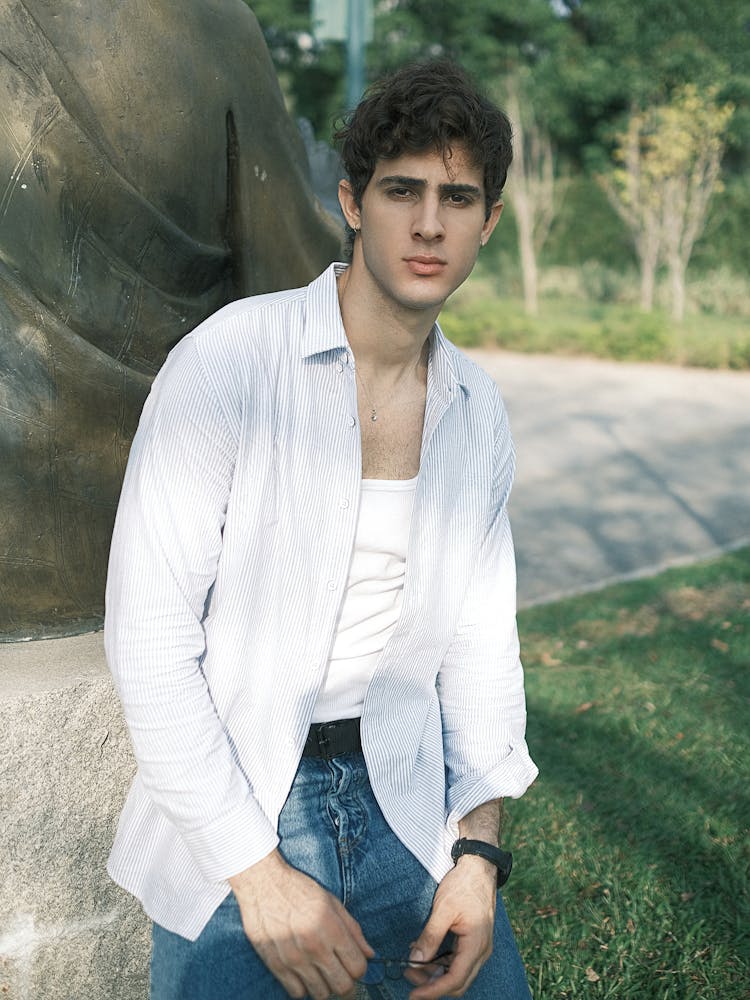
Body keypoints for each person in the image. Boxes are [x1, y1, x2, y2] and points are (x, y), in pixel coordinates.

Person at [105, 58, 538, 1000]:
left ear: (488, 223)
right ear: (351, 200)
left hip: (408, 796)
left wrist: (476, 852)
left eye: (458, 198)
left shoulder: (475, 409)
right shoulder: (230, 364)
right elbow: (147, 641)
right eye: (402, 190)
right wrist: (258, 878)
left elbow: (479, 650)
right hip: (240, 803)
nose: (429, 223)